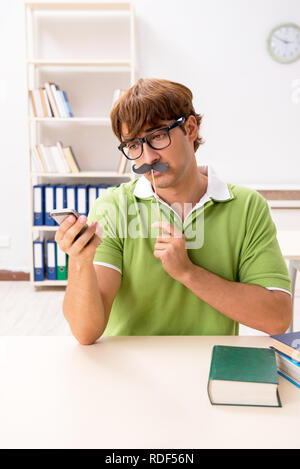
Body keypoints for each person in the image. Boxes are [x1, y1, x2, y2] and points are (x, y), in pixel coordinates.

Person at [55, 78, 292, 345]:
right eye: (134, 145)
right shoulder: (113, 206)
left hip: (209, 367)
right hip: (128, 372)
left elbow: (277, 318)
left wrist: (187, 272)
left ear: (190, 128)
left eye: (157, 136)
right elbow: (85, 333)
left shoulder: (247, 207)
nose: (147, 158)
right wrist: (80, 262)